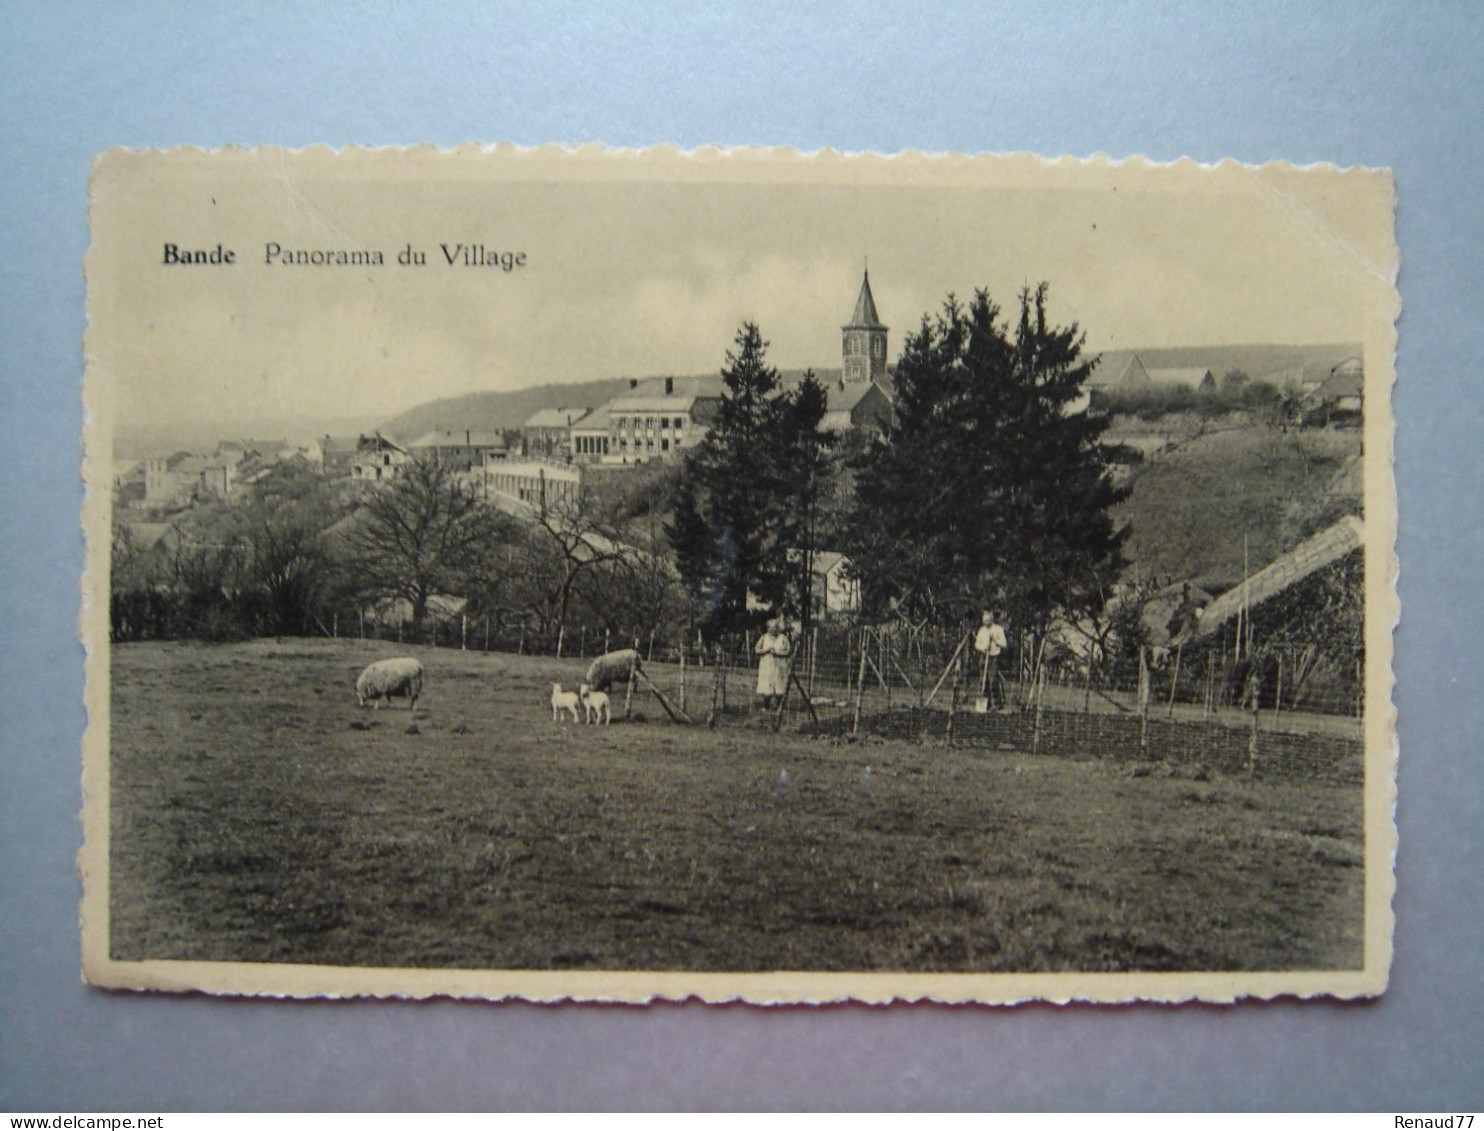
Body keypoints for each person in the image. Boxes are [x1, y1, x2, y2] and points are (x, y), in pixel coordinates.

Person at [755, 617, 792, 710]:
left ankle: (780, 706)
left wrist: (778, 653)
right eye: (771, 627)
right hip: (767, 665)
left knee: (780, 685)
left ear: (778, 628)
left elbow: (788, 651)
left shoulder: (783, 638)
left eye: (775, 627)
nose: (773, 629)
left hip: (780, 665)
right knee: (767, 685)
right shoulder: (764, 637)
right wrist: (766, 651)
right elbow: (756, 649)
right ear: (768, 628)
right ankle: (765, 705)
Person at [973, 609, 1008, 710]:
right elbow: (977, 644)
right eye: (984, 622)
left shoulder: (998, 629)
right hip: (984, 656)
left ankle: (997, 704)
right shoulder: (982, 630)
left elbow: (1004, 644)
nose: (986, 624)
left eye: (988, 621)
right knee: (983, 680)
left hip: (994, 656)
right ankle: (985, 704)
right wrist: (983, 647)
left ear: (992, 620)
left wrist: (995, 641)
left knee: (993, 680)